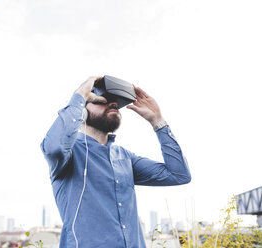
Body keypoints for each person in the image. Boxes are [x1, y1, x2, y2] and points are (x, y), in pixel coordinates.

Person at [40, 76, 191, 248]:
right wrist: (80, 94)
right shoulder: (69, 153)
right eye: (101, 100)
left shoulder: (125, 157)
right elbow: (53, 147)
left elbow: (179, 175)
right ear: (81, 111)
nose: (112, 104)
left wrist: (157, 121)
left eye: (115, 103)